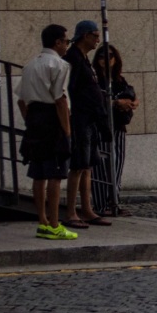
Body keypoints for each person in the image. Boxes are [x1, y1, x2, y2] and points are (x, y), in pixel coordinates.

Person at [16, 24, 77, 240]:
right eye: (66, 41)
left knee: (39, 173)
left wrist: (30, 121)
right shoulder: (59, 65)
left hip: (34, 118)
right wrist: (67, 132)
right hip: (52, 119)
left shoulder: (30, 65)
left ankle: (42, 220)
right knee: (56, 173)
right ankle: (54, 223)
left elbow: (21, 100)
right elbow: (60, 100)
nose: (67, 46)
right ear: (58, 42)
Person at [63, 19, 111, 228]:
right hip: (81, 118)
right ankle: (72, 211)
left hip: (90, 118)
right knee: (78, 165)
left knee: (88, 165)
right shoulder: (73, 59)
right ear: (85, 36)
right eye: (95, 35)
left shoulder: (83, 59)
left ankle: (87, 208)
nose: (98, 39)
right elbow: (69, 90)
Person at [92, 43, 138, 217]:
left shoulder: (118, 79)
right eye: (102, 56)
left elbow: (130, 94)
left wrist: (133, 102)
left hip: (118, 126)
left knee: (117, 166)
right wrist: (115, 103)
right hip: (101, 127)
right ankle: (100, 204)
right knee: (100, 167)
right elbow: (94, 101)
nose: (106, 59)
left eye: (110, 56)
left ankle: (114, 202)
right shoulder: (94, 79)